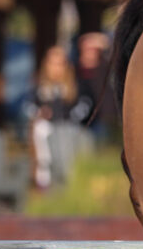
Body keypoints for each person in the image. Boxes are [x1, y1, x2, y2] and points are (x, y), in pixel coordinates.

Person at [24, 46, 93, 188]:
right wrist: (40, 113)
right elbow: (27, 106)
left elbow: (86, 105)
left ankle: (71, 182)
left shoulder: (76, 85)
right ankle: (44, 181)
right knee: (40, 130)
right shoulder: (39, 86)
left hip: (69, 131)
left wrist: (72, 117)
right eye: (52, 63)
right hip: (47, 131)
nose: (56, 68)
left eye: (60, 63)